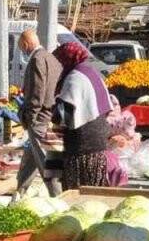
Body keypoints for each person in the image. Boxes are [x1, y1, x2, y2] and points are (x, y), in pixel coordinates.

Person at [53, 42, 116, 190]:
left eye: (60, 61)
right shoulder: (91, 72)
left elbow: (65, 115)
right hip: (99, 138)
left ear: (67, 59)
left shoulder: (74, 78)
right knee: (95, 190)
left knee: (79, 190)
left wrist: (52, 110)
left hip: (83, 143)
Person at [15, 30, 61, 195]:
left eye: (21, 47)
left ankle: (58, 198)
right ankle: (19, 194)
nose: (22, 51)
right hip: (49, 116)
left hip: (40, 120)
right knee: (30, 160)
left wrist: (30, 118)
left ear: (26, 44)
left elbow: (37, 93)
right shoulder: (51, 57)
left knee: (47, 167)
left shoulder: (36, 59)